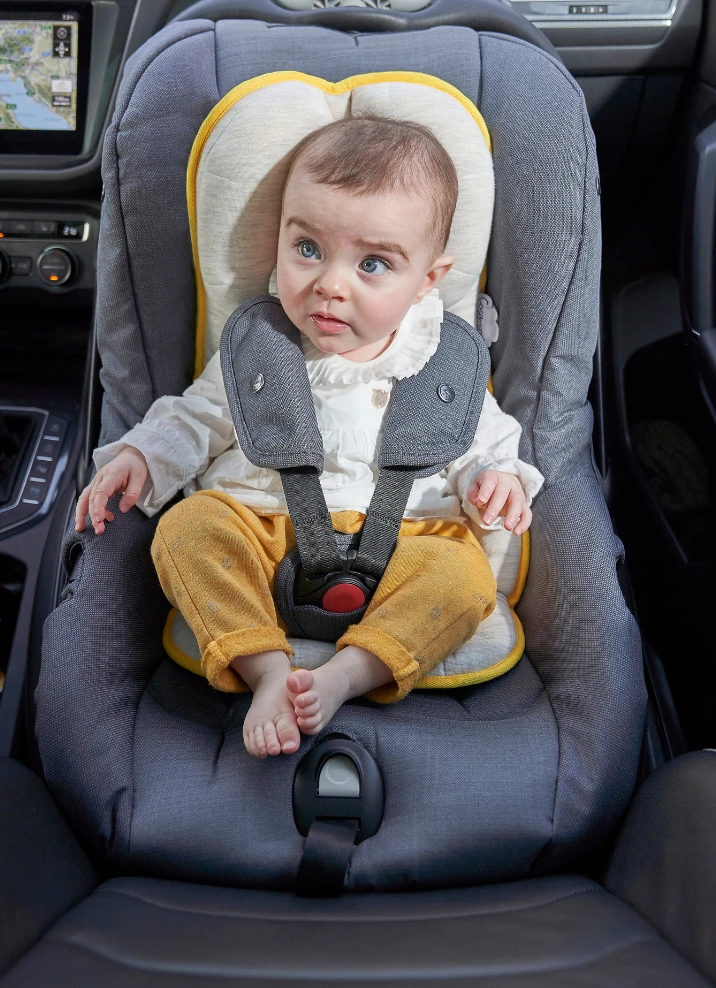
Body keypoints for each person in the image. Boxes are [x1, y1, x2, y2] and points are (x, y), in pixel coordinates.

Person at [75, 116, 544, 759]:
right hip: (263, 534)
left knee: (464, 575)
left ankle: (347, 674)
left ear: (428, 280)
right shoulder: (260, 347)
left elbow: (484, 439)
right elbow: (195, 417)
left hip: (405, 548)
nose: (329, 284)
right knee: (186, 531)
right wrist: (142, 456)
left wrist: (497, 479)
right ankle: (267, 669)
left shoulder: (443, 360)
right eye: (307, 249)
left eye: (373, 264)